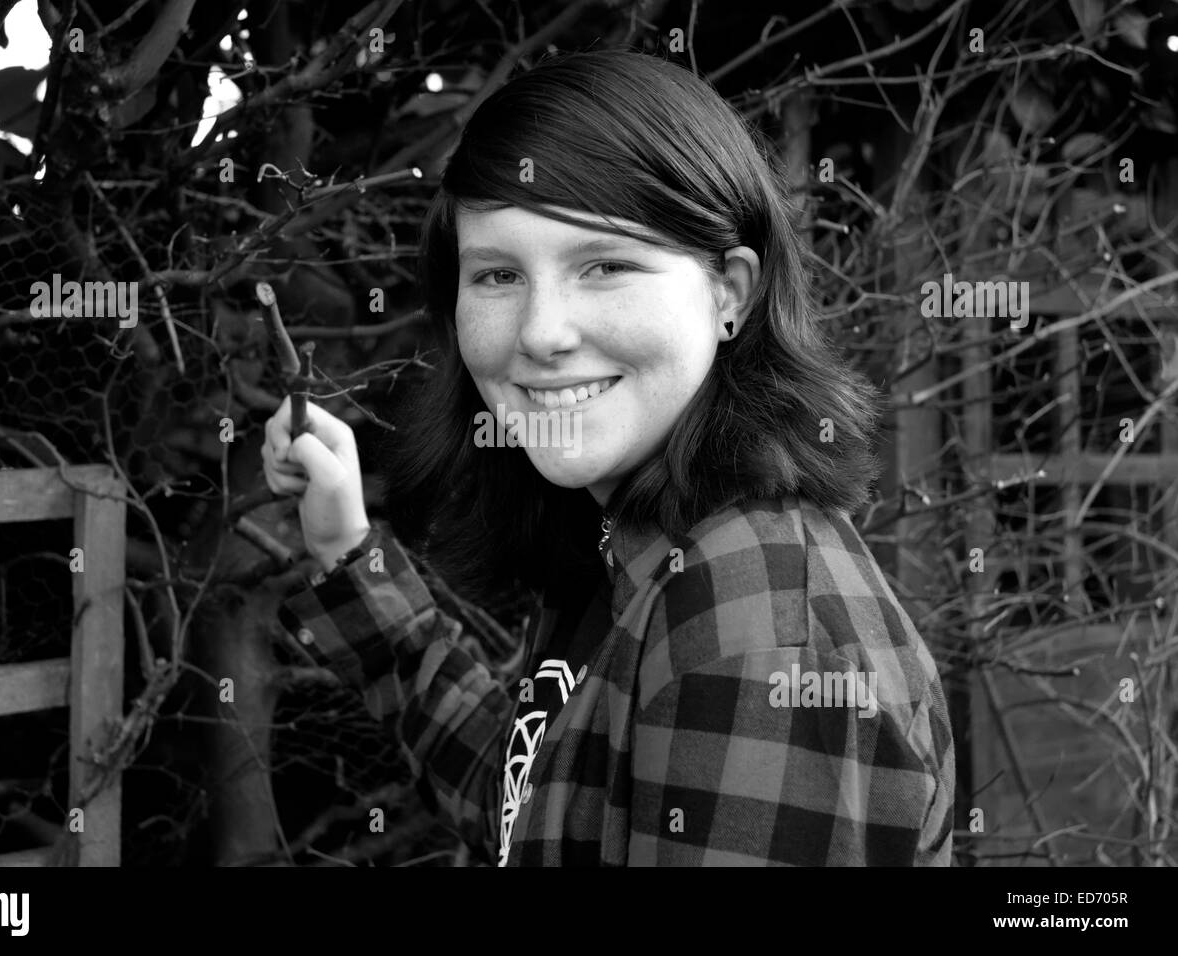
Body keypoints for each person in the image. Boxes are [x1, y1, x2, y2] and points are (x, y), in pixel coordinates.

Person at [262, 48, 955, 866]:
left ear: (728, 291)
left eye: (606, 266)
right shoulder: (633, 540)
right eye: (497, 275)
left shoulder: (757, 636)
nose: (541, 333)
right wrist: (349, 551)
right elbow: (528, 804)